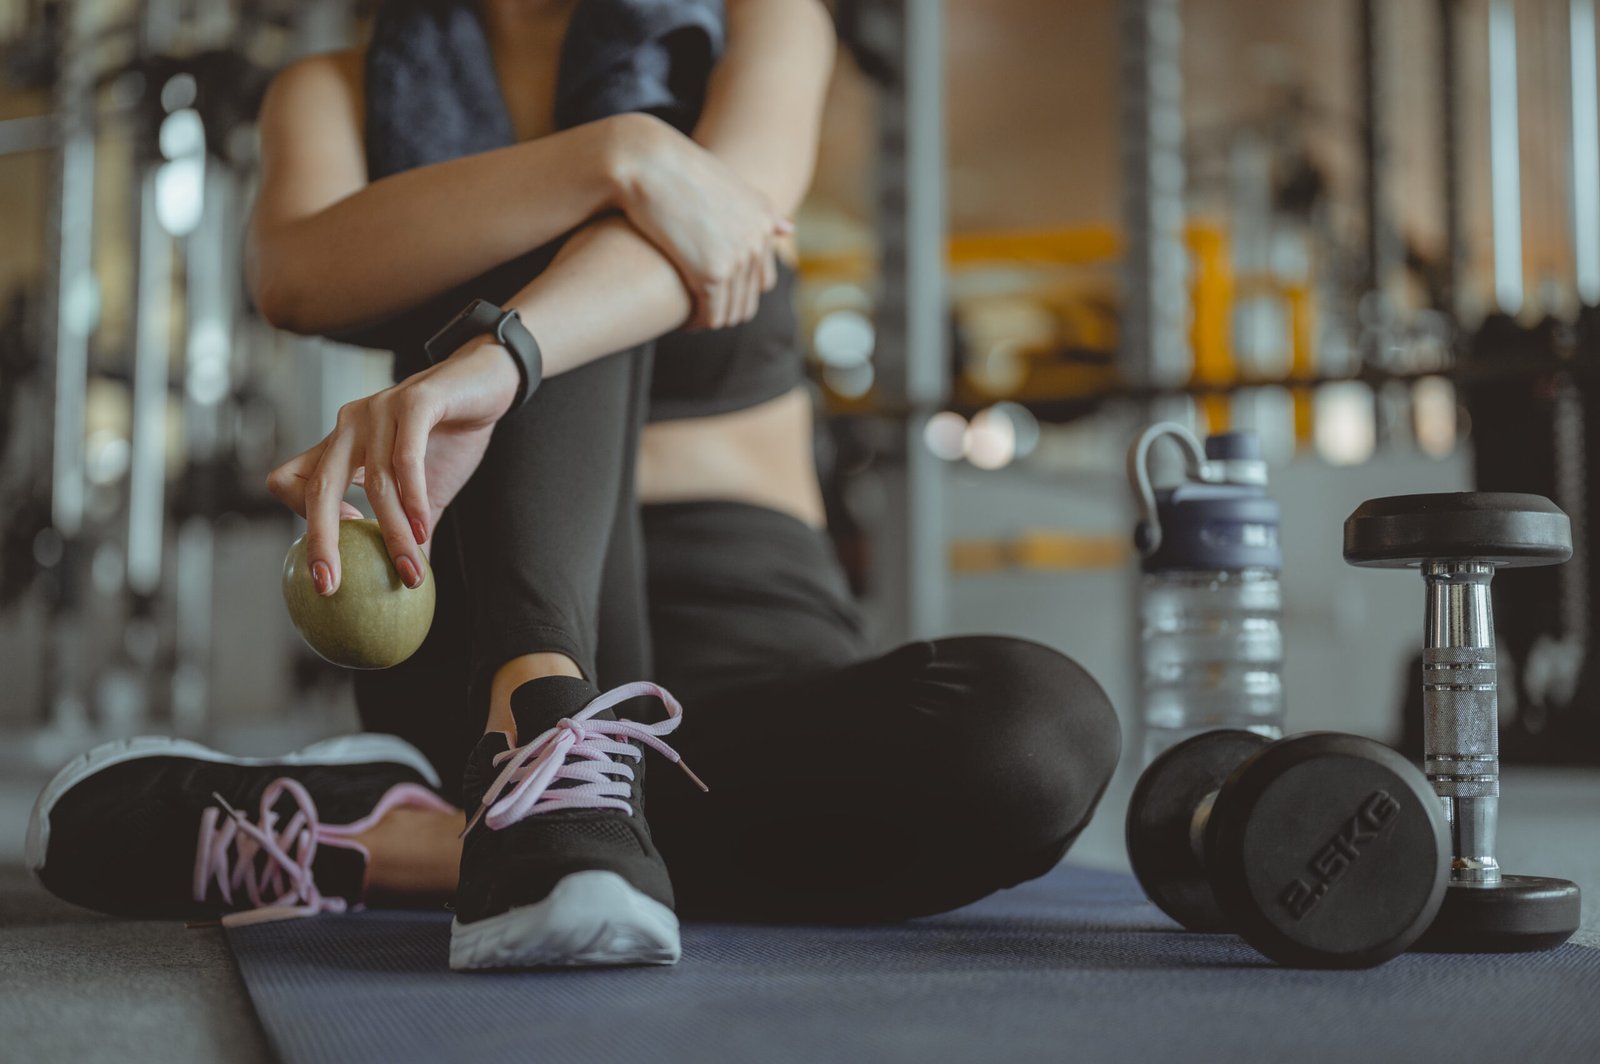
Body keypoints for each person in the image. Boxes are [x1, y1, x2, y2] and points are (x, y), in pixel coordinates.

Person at [26, 0, 1120, 971]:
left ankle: (414, 841)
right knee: (525, 218)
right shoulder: (335, 90)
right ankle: (537, 727)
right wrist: (617, 154)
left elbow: (723, 225)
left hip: (748, 669)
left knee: (1036, 739)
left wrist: (503, 353)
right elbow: (298, 275)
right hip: (477, 647)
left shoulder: (760, 19)